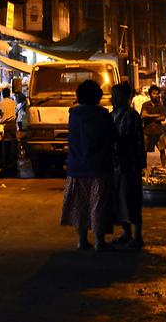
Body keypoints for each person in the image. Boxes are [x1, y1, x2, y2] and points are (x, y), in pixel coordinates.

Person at [60, 79, 117, 252]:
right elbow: (112, 136)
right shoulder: (102, 114)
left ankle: (81, 240)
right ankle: (99, 241)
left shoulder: (74, 114)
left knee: (80, 204)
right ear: (97, 97)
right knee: (98, 204)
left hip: (77, 166)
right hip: (99, 166)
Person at [110, 83, 146, 249]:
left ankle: (137, 236)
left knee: (131, 198)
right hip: (116, 165)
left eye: (117, 96)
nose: (114, 99)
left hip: (130, 164)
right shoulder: (113, 115)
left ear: (127, 98)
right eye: (113, 95)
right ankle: (126, 233)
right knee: (119, 199)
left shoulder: (131, 116)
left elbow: (125, 139)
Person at [141, 85, 166, 168]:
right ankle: (143, 167)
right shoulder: (145, 104)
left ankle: (163, 167)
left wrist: (149, 116)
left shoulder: (161, 106)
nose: (155, 95)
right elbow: (143, 115)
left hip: (158, 131)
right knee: (143, 150)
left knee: (162, 150)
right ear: (150, 94)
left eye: (157, 93)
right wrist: (156, 115)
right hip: (147, 131)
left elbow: (163, 118)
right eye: (153, 93)